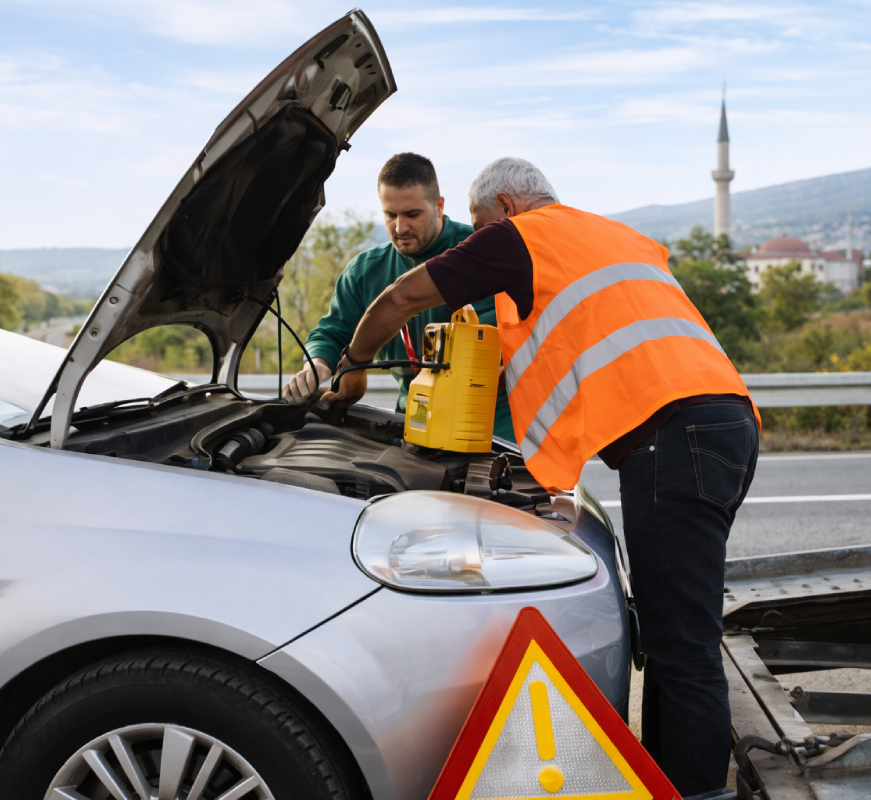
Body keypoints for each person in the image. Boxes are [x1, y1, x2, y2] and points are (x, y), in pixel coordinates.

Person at [321, 157, 759, 795]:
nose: (475, 243)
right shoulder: (616, 236)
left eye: (476, 227)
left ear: (504, 205)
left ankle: (698, 791)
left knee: (684, 646)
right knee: (671, 634)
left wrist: (352, 364)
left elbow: (401, 297)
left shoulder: (520, 237)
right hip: (724, 427)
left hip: (677, 440)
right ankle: (670, 782)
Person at [284, 152, 514, 441]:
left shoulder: (483, 254)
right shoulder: (364, 272)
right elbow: (331, 333)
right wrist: (317, 363)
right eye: (390, 215)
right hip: (412, 427)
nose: (400, 227)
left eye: (412, 214)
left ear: (439, 206)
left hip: (492, 430)